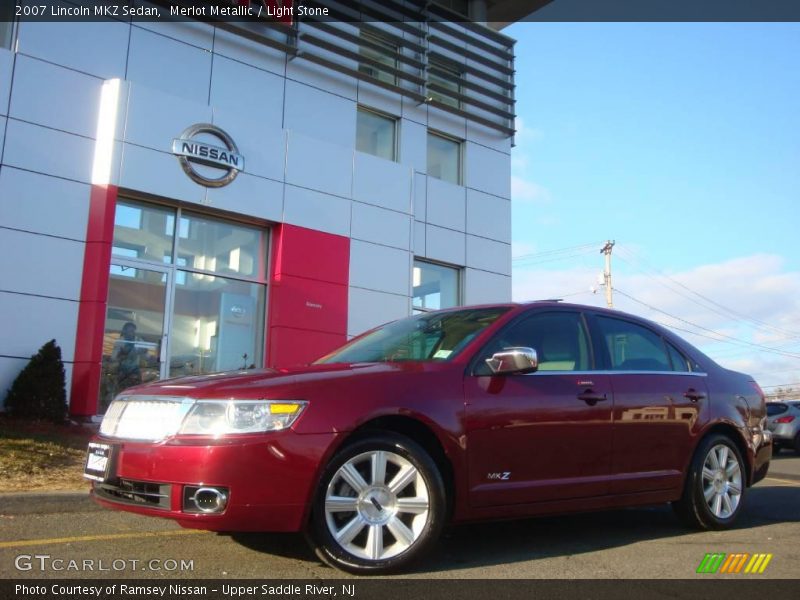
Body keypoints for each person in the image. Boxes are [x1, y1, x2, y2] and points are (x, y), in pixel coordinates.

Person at [111, 322, 144, 391]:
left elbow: (146, 355)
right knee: (121, 390)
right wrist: (123, 355)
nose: (131, 332)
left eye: (133, 330)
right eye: (129, 330)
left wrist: (142, 352)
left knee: (137, 390)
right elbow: (113, 358)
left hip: (135, 370)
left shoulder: (139, 340)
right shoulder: (120, 341)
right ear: (124, 331)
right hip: (123, 370)